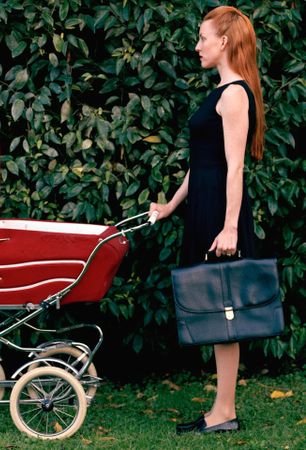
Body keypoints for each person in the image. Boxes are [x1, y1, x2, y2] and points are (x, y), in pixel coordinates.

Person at [149, 6, 266, 433]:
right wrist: (170, 207)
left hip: (220, 211)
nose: (197, 46)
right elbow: (201, 164)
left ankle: (225, 413)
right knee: (218, 311)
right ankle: (222, 410)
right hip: (205, 206)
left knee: (226, 312)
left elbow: (234, 168)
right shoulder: (220, 92)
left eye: (203, 38)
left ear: (224, 41)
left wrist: (231, 226)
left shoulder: (234, 94)